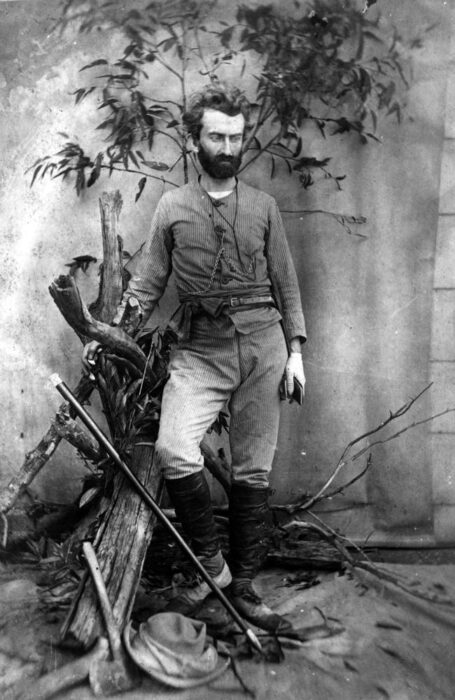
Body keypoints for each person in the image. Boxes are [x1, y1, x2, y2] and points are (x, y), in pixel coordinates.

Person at [83, 83, 306, 632]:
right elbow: (149, 283)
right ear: (195, 140)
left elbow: (287, 283)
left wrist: (296, 352)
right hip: (200, 350)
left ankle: (246, 590)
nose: (228, 146)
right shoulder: (173, 207)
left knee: (254, 468)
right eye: (216, 136)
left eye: (236, 136)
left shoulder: (264, 207)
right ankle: (217, 574)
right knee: (174, 447)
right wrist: (107, 332)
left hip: (263, 347)